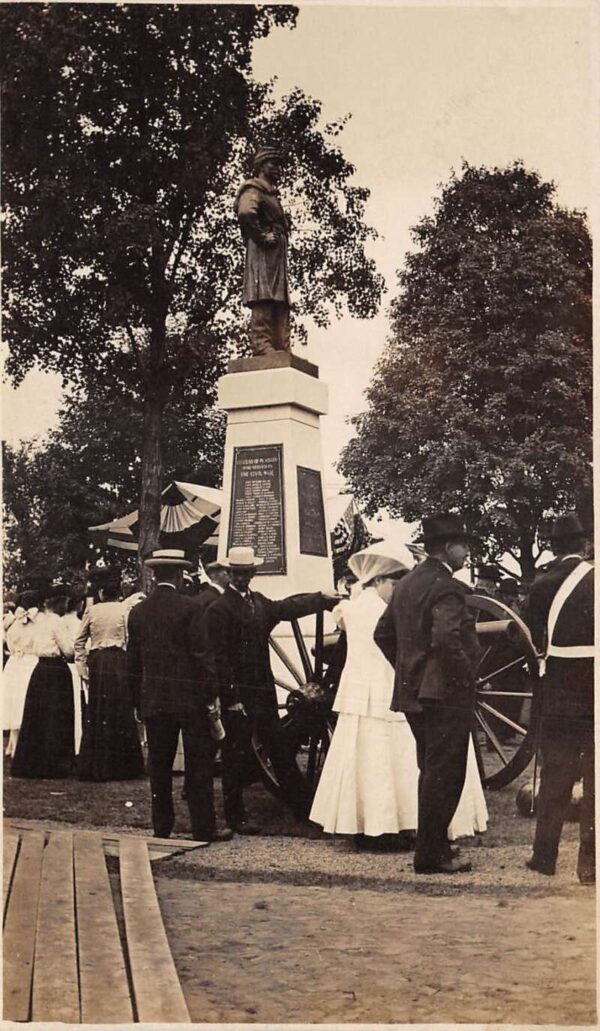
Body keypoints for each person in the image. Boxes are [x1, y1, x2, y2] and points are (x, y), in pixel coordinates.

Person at [311, 543, 487, 851]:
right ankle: (407, 826)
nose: (396, 589)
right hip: (385, 689)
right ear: (378, 581)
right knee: (396, 764)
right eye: (393, 582)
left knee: (374, 765)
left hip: (366, 692)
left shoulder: (351, 609)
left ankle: (373, 827)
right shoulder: (379, 608)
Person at [374, 514, 482, 874]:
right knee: (446, 774)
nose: (467, 551)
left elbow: (382, 634)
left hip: (413, 695)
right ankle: (431, 855)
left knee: (429, 771)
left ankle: (432, 848)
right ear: (448, 547)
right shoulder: (447, 587)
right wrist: (467, 679)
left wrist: (411, 671)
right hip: (445, 696)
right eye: (464, 545)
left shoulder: (405, 584)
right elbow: (447, 640)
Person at [206, 546, 339, 831]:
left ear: (253, 573)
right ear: (228, 574)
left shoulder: (258, 602)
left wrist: (320, 600)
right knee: (235, 755)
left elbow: (285, 608)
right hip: (240, 697)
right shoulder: (219, 609)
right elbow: (218, 658)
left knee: (279, 751)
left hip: (264, 694)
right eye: (236, 573)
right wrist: (231, 699)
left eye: (246, 573)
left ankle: (304, 810)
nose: (242, 578)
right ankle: (236, 817)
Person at [127, 548, 229, 843]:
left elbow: (133, 662)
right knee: (199, 765)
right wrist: (211, 694)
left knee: (158, 766)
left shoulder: (139, 611)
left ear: (156, 575)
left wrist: (136, 701)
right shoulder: (191, 608)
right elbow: (202, 656)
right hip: (190, 700)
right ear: (178, 574)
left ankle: (161, 827)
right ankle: (203, 828)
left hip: (155, 699)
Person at [525, 513, 594, 884]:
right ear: (584, 545)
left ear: (553, 547)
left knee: (555, 776)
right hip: (593, 687)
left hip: (558, 691)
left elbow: (536, 640)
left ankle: (544, 856)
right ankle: (590, 865)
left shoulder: (540, 585)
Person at [75, 570, 145, 781]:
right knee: (121, 707)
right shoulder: (125, 609)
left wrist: (82, 666)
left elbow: (79, 641)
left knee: (98, 709)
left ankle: (98, 764)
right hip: (119, 661)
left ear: (103, 592)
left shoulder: (92, 610)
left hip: (99, 661)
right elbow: (130, 637)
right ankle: (123, 766)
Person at [12, 584, 76, 778]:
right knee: (56, 716)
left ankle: (33, 762)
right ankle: (55, 764)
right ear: (59, 602)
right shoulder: (56, 621)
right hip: (56, 670)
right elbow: (68, 650)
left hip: (39, 670)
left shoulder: (38, 620)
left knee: (38, 716)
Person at [235, 146, 291, 355]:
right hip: (263, 251)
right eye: (273, 164)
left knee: (280, 297)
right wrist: (261, 236)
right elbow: (246, 213)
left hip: (276, 252)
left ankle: (281, 344)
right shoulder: (253, 189)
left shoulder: (271, 193)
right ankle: (262, 344)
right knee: (264, 294)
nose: (278, 169)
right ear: (261, 166)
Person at [3, 591, 41, 757]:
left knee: (14, 703)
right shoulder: (38, 624)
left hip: (14, 664)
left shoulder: (13, 624)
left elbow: (9, 644)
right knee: (23, 702)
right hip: (29, 663)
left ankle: (12, 745)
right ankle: (16, 746)